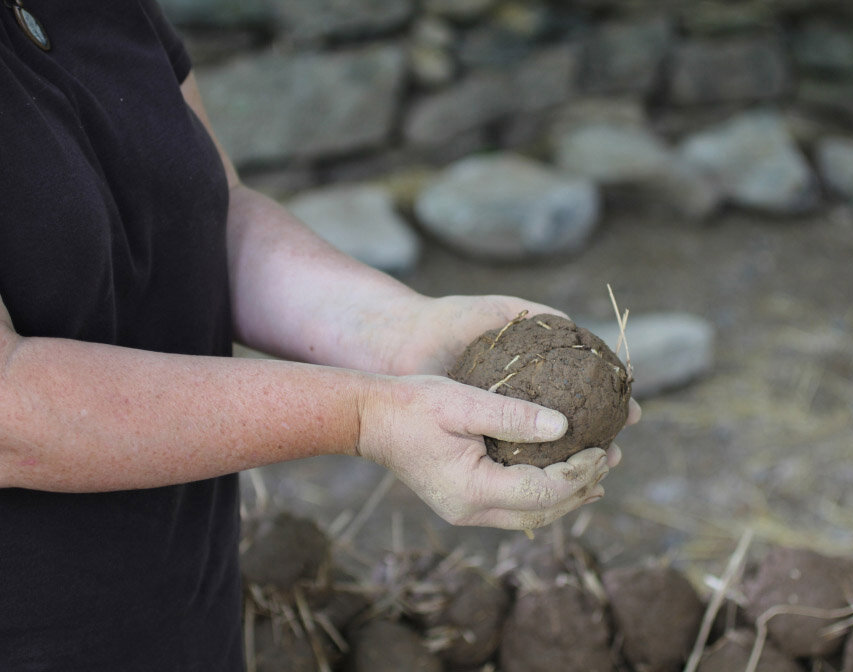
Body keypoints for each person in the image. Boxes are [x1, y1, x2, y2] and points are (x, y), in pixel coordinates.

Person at [0, 1, 638, 669]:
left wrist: (404, 330)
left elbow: (214, 219)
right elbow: (10, 409)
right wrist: (364, 416)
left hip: (184, 611)